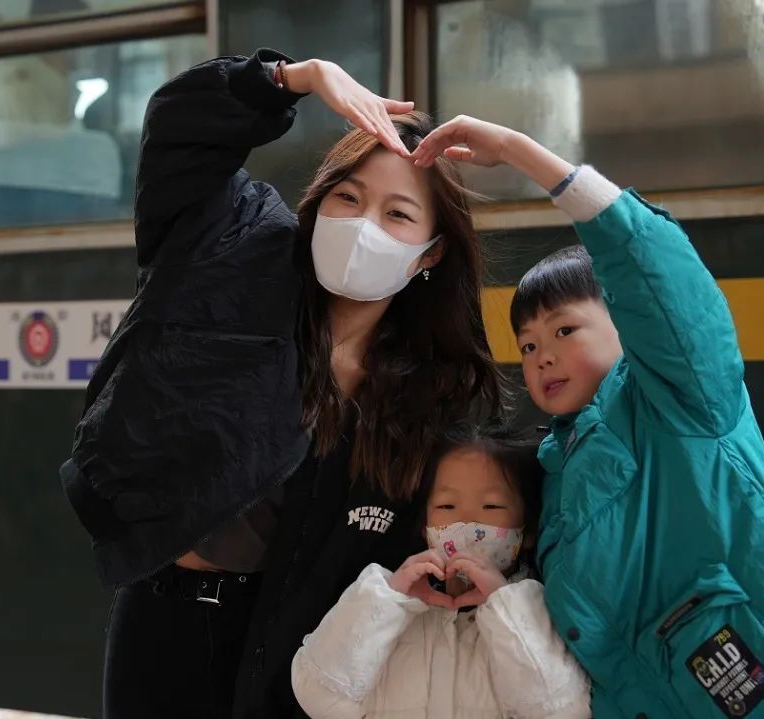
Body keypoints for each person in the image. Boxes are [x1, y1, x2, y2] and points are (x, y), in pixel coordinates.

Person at [412, 115, 764, 718]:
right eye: (527, 345)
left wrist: (522, 154)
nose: (541, 355)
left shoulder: (681, 396)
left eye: (565, 330)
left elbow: (658, 275)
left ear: (629, 325)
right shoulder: (554, 467)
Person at [59, 51, 505, 718]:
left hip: (300, 649)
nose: (363, 225)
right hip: (165, 623)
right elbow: (178, 129)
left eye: (397, 215)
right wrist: (293, 77)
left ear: (431, 254)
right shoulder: (236, 249)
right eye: (348, 198)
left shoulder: (426, 391)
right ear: (319, 202)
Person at [291, 424, 591, 718]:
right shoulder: (392, 616)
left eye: (491, 507)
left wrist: (504, 604)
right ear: (425, 528)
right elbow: (318, 695)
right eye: (447, 506)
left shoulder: (535, 611)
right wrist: (387, 599)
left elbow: (564, 711)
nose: (467, 522)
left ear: (527, 531)